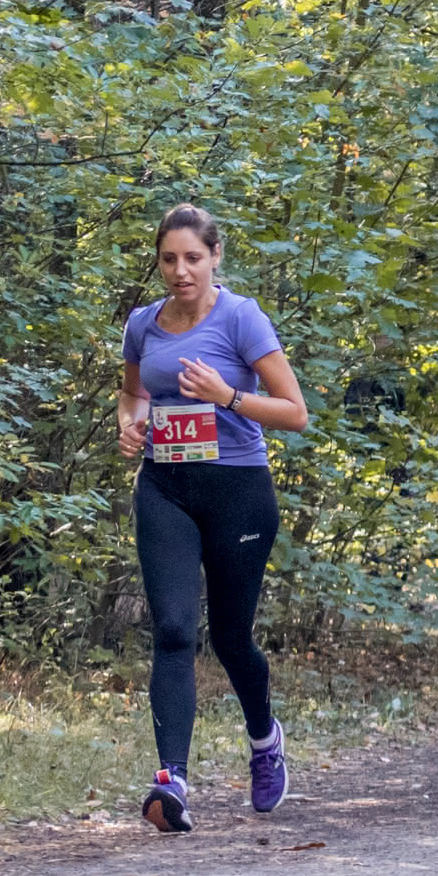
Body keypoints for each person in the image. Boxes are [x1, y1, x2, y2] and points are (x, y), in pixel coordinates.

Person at [117, 204, 310, 834]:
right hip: (165, 489)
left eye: (192, 258)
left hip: (237, 491)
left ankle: (264, 739)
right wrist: (130, 422)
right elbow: (133, 392)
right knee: (173, 629)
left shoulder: (240, 318)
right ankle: (171, 779)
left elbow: (294, 412)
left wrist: (227, 395)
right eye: (169, 259)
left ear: (214, 257)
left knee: (230, 637)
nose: (180, 271)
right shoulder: (143, 324)